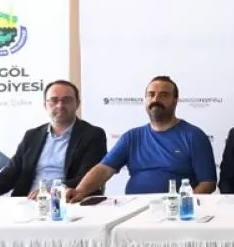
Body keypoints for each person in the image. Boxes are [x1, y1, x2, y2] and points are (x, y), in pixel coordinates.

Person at [0, 80, 107, 199]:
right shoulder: (32, 135)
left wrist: (51, 190)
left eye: (66, 100)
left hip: (67, 201)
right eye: (54, 100)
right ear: (45, 105)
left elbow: (88, 177)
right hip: (27, 201)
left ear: (77, 104)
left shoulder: (93, 134)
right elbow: (12, 171)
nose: (60, 105)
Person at [72, 76, 217, 196]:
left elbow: (208, 183)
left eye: (164, 95)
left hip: (175, 211)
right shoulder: (131, 137)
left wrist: (183, 206)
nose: (156, 99)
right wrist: (79, 191)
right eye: (151, 94)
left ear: (175, 101)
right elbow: (104, 169)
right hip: (135, 209)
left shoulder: (193, 136)